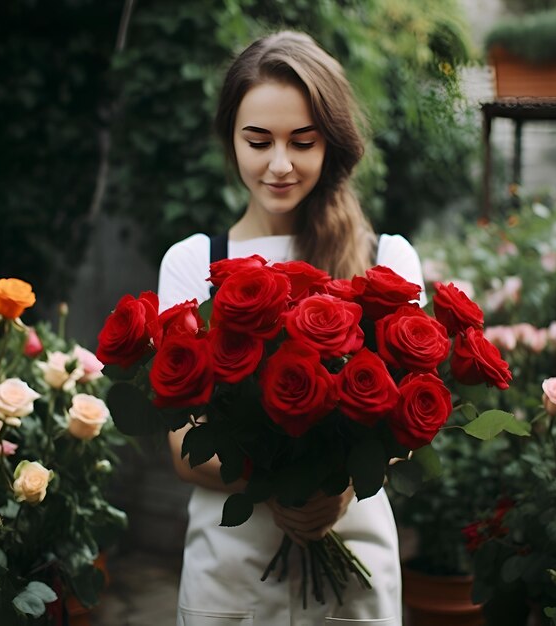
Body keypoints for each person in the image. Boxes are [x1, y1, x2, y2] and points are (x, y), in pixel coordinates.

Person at [158, 30, 426, 626]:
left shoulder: (388, 262)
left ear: (331, 144)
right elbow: (183, 444)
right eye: (258, 141)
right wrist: (287, 487)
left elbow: (408, 427)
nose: (279, 164)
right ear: (231, 139)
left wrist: (342, 488)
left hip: (353, 545)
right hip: (231, 563)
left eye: (302, 142)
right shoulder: (193, 264)